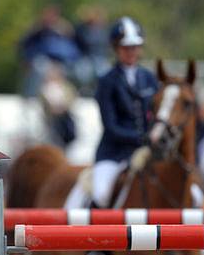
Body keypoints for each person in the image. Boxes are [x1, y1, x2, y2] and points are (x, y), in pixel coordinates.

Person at [65, 16, 158, 209]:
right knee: (101, 194)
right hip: (115, 153)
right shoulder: (107, 81)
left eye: (135, 47)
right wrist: (144, 138)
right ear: (116, 49)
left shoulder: (149, 78)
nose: (131, 51)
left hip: (148, 152)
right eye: (126, 47)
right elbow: (111, 126)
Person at [19, 5, 80, 98]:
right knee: (40, 68)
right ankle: (30, 98)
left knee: (78, 71)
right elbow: (26, 48)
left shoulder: (64, 32)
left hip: (61, 64)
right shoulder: (37, 31)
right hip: (41, 61)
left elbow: (72, 52)